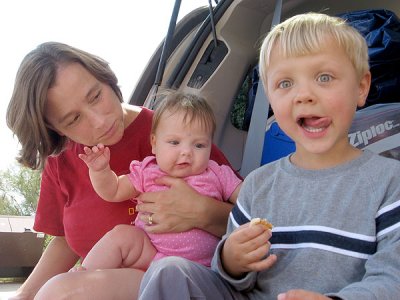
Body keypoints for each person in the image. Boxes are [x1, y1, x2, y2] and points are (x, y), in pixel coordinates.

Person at [138, 12, 400, 300]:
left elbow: (392, 277)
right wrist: (230, 260)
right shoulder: (257, 185)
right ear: (270, 98)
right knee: (169, 271)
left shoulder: (389, 182)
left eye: (324, 77)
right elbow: (230, 278)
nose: (303, 95)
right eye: (285, 84)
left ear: (361, 88)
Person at [6, 42, 239, 300]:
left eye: (95, 96)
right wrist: (24, 295)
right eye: (73, 119)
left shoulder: (175, 132)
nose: (99, 121)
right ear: (56, 129)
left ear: (107, 79)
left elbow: (255, 216)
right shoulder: (60, 161)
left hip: (182, 279)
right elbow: (63, 241)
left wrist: (201, 211)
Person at [70, 93, 241, 283]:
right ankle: (84, 277)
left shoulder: (217, 173)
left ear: (210, 147)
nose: (186, 151)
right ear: (154, 144)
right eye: (174, 142)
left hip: (206, 267)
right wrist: (100, 171)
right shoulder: (147, 171)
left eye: (199, 145)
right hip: (153, 253)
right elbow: (114, 190)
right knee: (121, 235)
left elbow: (251, 200)